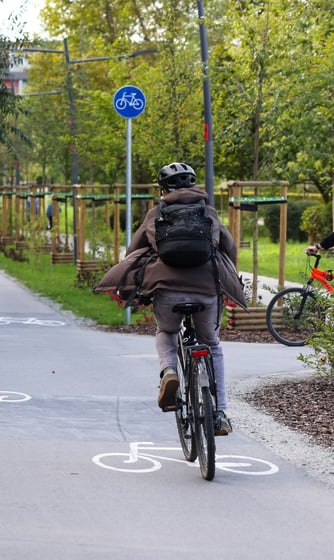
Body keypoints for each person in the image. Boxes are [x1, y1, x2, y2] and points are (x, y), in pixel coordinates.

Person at [95, 162, 246, 435]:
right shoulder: (208, 212)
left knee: (166, 330)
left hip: (166, 289)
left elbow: (133, 251)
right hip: (207, 288)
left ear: (162, 190)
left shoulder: (156, 213)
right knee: (212, 344)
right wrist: (231, 276)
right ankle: (220, 412)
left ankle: (168, 371)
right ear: (193, 186)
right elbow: (229, 247)